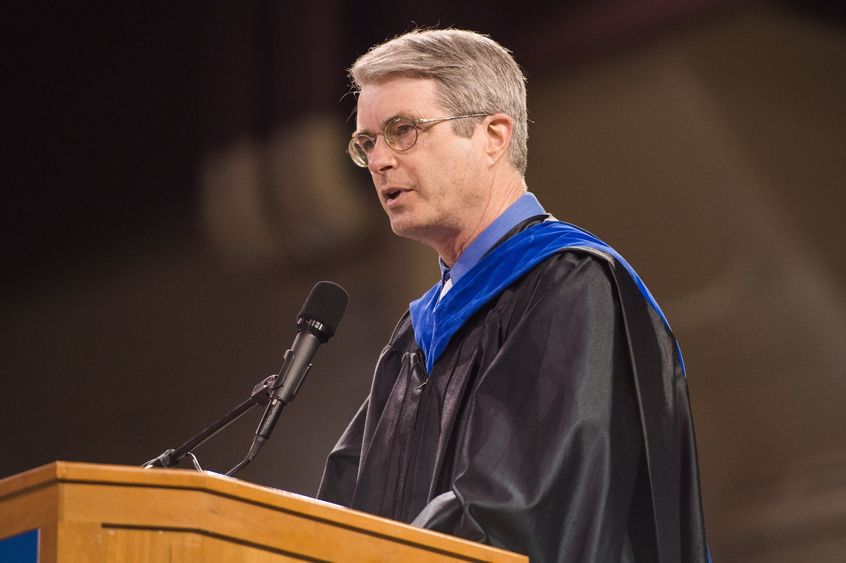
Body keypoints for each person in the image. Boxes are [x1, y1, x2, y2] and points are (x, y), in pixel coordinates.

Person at [317, 29, 708, 562]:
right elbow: (340, 520)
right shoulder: (417, 337)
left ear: (493, 136)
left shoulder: (570, 288)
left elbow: (513, 517)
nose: (380, 160)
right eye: (368, 143)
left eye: (402, 131)